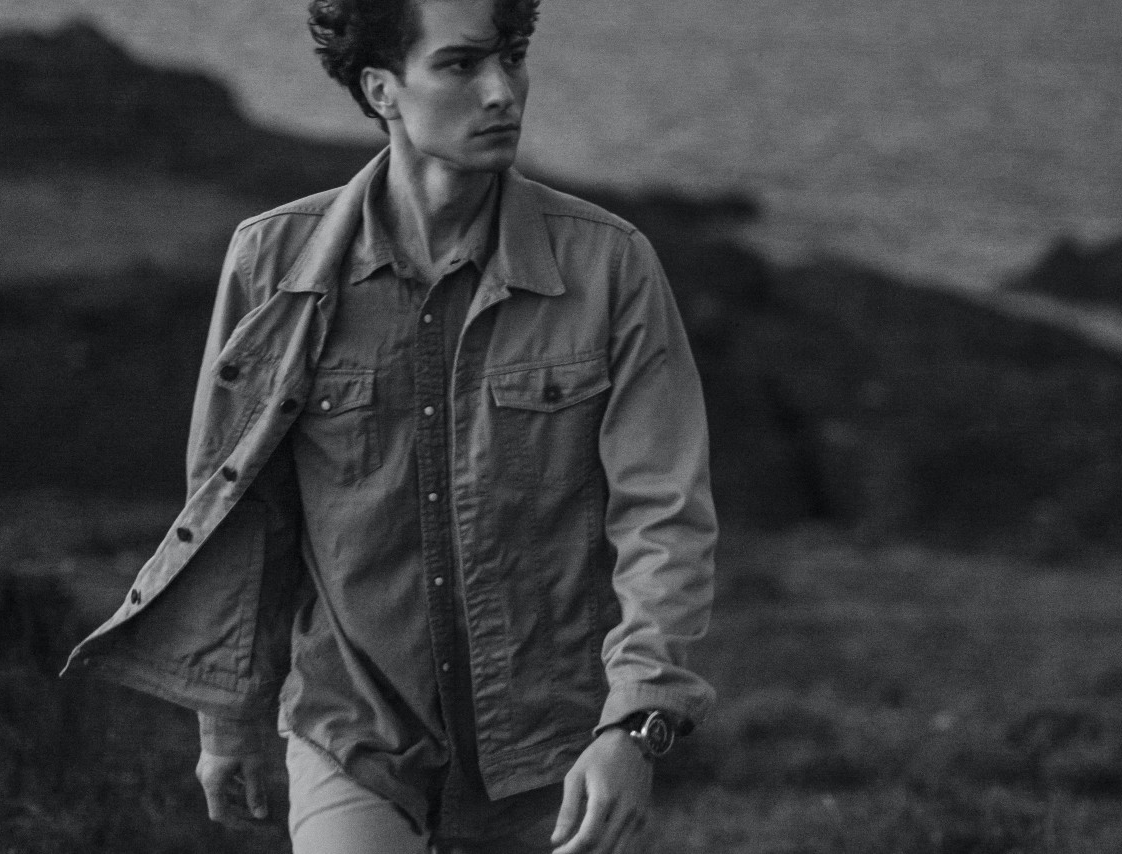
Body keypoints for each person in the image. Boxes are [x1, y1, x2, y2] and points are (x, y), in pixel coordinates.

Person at [62, 0, 716, 850]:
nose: (501, 91)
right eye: (461, 64)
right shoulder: (272, 265)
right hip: (352, 737)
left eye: (512, 58)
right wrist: (226, 720)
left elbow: (663, 517)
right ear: (382, 89)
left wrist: (635, 729)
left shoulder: (611, 266)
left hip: (556, 753)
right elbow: (236, 511)